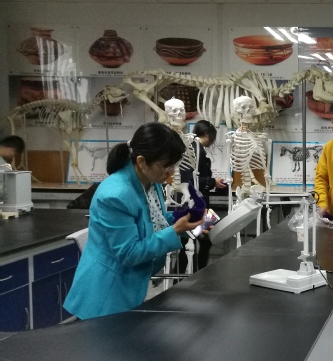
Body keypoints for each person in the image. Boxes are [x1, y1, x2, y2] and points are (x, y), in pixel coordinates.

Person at [63, 123, 205, 320]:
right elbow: (129, 253)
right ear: (141, 161)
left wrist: (184, 219)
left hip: (131, 285)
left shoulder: (150, 182)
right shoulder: (115, 196)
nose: (171, 173)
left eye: (173, 166)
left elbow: (153, 220)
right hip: (106, 296)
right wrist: (174, 232)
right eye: (165, 167)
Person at [178, 120, 227, 271]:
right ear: (207, 134)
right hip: (193, 204)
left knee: (195, 241)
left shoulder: (197, 150)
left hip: (198, 202)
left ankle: (185, 275)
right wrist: (212, 182)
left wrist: (215, 184)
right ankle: (193, 275)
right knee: (195, 241)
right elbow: (190, 180)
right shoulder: (195, 150)